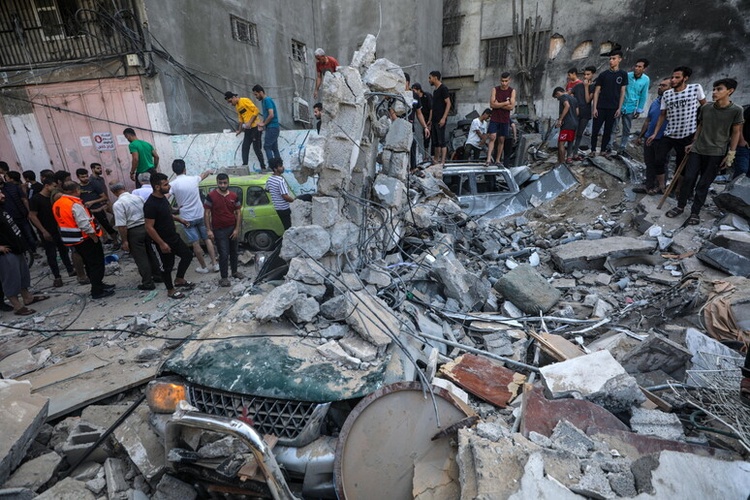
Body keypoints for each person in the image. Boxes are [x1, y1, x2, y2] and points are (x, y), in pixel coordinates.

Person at [666, 78, 743, 225]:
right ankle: (680, 206)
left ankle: (695, 212)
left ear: (730, 91)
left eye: (719, 89)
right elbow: (701, 126)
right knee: (688, 178)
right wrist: (693, 142)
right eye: (714, 89)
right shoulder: (706, 108)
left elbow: (736, 132)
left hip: (716, 152)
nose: (714, 92)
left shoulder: (736, 110)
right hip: (698, 149)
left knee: (703, 183)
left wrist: (731, 154)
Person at [53, 181, 114, 299]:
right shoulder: (74, 204)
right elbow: (84, 224)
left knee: (88, 263)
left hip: (74, 239)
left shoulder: (58, 203)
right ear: (75, 190)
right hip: (85, 238)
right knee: (96, 263)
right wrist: (94, 237)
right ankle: (97, 290)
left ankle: (98, 284)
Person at [646, 66, 706, 183]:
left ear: (685, 78)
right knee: (658, 160)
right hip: (670, 133)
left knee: (681, 164)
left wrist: (699, 132)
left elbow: (705, 107)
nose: (673, 80)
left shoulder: (695, 88)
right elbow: (662, 115)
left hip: (687, 134)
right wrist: (655, 133)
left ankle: (677, 188)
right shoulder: (667, 94)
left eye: (677, 77)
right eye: (672, 77)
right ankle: (662, 186)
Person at [144, 173, 194, 299]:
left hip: (173, 236)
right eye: (166, 184)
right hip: (161, 240)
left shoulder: (163, 198)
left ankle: (179, 279)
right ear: (157, 187)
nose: (169, 186)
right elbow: (149, 227)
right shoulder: (150, 204)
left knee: (187, 255)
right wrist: (161, 243)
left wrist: (179, 219)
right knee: (167, 266)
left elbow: (166, 214)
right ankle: (170, 290)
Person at [0, 189, 49, 315]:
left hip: (17, 248)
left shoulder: (2, 209)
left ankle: (28, 298)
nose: (3, 195)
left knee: (22, 275)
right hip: (6, 253)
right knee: (11, 279)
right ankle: (17, 306)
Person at [111, 181, 161, 291]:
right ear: (124, 187)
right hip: (146, 227)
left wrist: (124, 241)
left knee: (140, 257)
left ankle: (148, 282)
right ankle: (158, 275)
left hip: (134, 231)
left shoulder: (118, 204)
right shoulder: (138, 198)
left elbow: (122, 225)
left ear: (114, 192)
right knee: (150, 252)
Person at [169, 159, 218, 273]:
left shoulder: (173, 185)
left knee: (195, 243)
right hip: (200, 214)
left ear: (174, 171)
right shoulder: (194, 179)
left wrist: (173, 209)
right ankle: (215, 264)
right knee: (207, 239)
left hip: (186, 218)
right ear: (185, 169)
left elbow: (164, 197)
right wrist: (209, 171)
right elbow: (204, 175)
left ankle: (203, 267)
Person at [29, 177, 75, 287]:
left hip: (57, 228)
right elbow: (32, 216)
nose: (55, 188)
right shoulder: (36, 199)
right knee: (51, 254)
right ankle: (57, 277)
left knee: (63, 250)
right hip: (46, 230)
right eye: (54, 186)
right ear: (47, 186)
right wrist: (43, 231)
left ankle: (70, 269)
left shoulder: (52, 198)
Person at [204, 174, 244, 287]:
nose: (222, 185)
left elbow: (238, 212)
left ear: (228, 182)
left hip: (232, 228)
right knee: (224, 254)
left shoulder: (234, 196)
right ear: (217, 183)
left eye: (225, 183)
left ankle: (235, 272)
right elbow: (206, 213)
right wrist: (209, 230)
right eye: (220, 183)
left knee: (234, 252)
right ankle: (224, 277)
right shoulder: (211, 196)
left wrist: (236, 229)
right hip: (219, 230)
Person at [634, 78, 671, 194]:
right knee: (649, 162)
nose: (660, 87)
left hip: (663, 138)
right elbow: (647, 120)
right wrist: (640, 136)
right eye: (660, 85)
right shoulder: (655, 102)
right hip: (649, 137)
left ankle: (660, 186)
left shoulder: (672, 104)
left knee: (661, 163)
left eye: (664, 86)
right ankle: (649, 185)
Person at [591, 50, 628, 156]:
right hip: (601, 106)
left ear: (619, 59)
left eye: (613, 58)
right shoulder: (603, 75)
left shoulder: (623, 74)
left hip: (613, 107)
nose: (611, 61)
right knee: (595, 130)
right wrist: (595, 108)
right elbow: (596, 92)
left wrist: (619, 108)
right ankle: (593, 150)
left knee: (608, 130)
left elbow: (622, 92)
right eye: (610, 59)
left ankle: (603, 150)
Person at [76, 168, 118, 246]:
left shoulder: (93, 184)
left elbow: (104, 197)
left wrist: (92, 202)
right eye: (82, 177)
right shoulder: (78, 188)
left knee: (106, 226)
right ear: (78, 177)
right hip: (87, 212)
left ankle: (116, 241)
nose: (85, 178)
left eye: (86, 176)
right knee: (92, 228)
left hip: (98, 209)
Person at [0, 164, 37, 253]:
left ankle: (33, 251)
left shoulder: (12, 186)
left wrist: (28, 211)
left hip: (21, 215)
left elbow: (24, 199)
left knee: (29, 235)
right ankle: (26, 252)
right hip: (10, 219)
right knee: (19, 237)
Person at [225, 91, 265, 170]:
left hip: (255, 127)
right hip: (248, 129)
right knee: (245, 147)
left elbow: (256, 110)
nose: (230, 104)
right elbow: (241, 119)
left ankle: (263, 167)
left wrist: (250, 122)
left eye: (230, 101)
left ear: (234, 97)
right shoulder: (237, 107)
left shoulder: (244, 100)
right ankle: (245, 166)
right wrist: (239, 130)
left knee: (256, 148)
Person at [619, 58, 650, 152]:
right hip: (620, 105)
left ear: (644, 69)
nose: (636, 68)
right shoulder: (627, 75)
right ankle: (609, 146)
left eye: (639, 67)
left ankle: (622, 147)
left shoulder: (646, 80)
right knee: (613, 126)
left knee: (626, 129)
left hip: (631, 107)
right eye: (636, 66)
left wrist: (639, 109)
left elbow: (643, 95)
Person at [487, 72, 516, 165]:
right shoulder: (495, 89)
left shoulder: (512, 91)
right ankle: (488, 159)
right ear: (500, 80)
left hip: (504, 119)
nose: (504, 83)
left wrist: (498, 104)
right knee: (492, 137)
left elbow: (511, 107)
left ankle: (498, 160)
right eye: (502, 81)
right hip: (495, 118)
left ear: (509, 80)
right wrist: (505, 103)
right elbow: (492, 105)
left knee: (501, 139)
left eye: (506, 81)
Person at [571, 66, 596, 158]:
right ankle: (569, 152)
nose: (585, 77)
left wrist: (586, 87)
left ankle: (575, 152)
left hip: (585, 113)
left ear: (593, 75)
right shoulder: (577, 86)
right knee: (573, 132)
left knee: (579, 133)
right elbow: (570, 95)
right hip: (576, 112)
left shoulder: (593, 87)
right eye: (584, 74)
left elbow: (588, 100)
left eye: (588, 74)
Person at [428, 71, 451, 165]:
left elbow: (448, 103)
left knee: (442, 140)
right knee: (435, 141)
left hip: (440, 119)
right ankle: (436, 159)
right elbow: (433, 108)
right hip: (434, 119)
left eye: (430, 78)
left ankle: (442, 161)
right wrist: (430, 120)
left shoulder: (443, 89)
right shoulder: (435, 91)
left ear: (435, 78)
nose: (429, 80)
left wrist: (444, 118)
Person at [253, 85, 280, 161]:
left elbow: (271, 115)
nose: (256, 97)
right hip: (272, 127)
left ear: (261, 92)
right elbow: (268, 115)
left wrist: (264, 124)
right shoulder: (264, 101)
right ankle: (279, 165)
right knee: (274, 148)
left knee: (267, 147)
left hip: (272, 127)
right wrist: (262, 123)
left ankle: (272, 165)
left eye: (256, 94)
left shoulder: (267, 100)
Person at [266, 158, 295, 230]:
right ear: (275, 169)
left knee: (286, 226)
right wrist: (294, 201)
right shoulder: (280, 180)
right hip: (284, 208)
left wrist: (275, 194)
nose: (283, 167)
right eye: (280, 166)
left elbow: (267, 189)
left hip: (277, 208)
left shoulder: (270, 179)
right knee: (289, 228)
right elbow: (285, 196)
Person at [553, 87, 579, 164]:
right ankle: (561, 161)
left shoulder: (563, 97)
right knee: (569, 142)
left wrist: (561, 119)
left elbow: (567, 106)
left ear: (558, 93)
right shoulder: (574, 99)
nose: (558, 99)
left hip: (567, 124)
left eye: (556, 97)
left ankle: (562, 163)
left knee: (561, 143)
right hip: (574, 124)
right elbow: (577, 112)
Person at [412, 83, 433, 155]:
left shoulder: (426, 96)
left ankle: (433, 155)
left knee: (434, 138)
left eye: (414, 90)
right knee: (426, 137)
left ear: (419, 90)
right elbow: (418, 113)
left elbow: (431, 109)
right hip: (424, 119)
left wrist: (430, 121)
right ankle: (426, 155)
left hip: (431, 118)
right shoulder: (416, 98)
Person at [732, 105, 750, 178]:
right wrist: (741, 139)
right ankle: (733, 185)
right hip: (744, 146)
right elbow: (740, 123)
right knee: (742, 170)